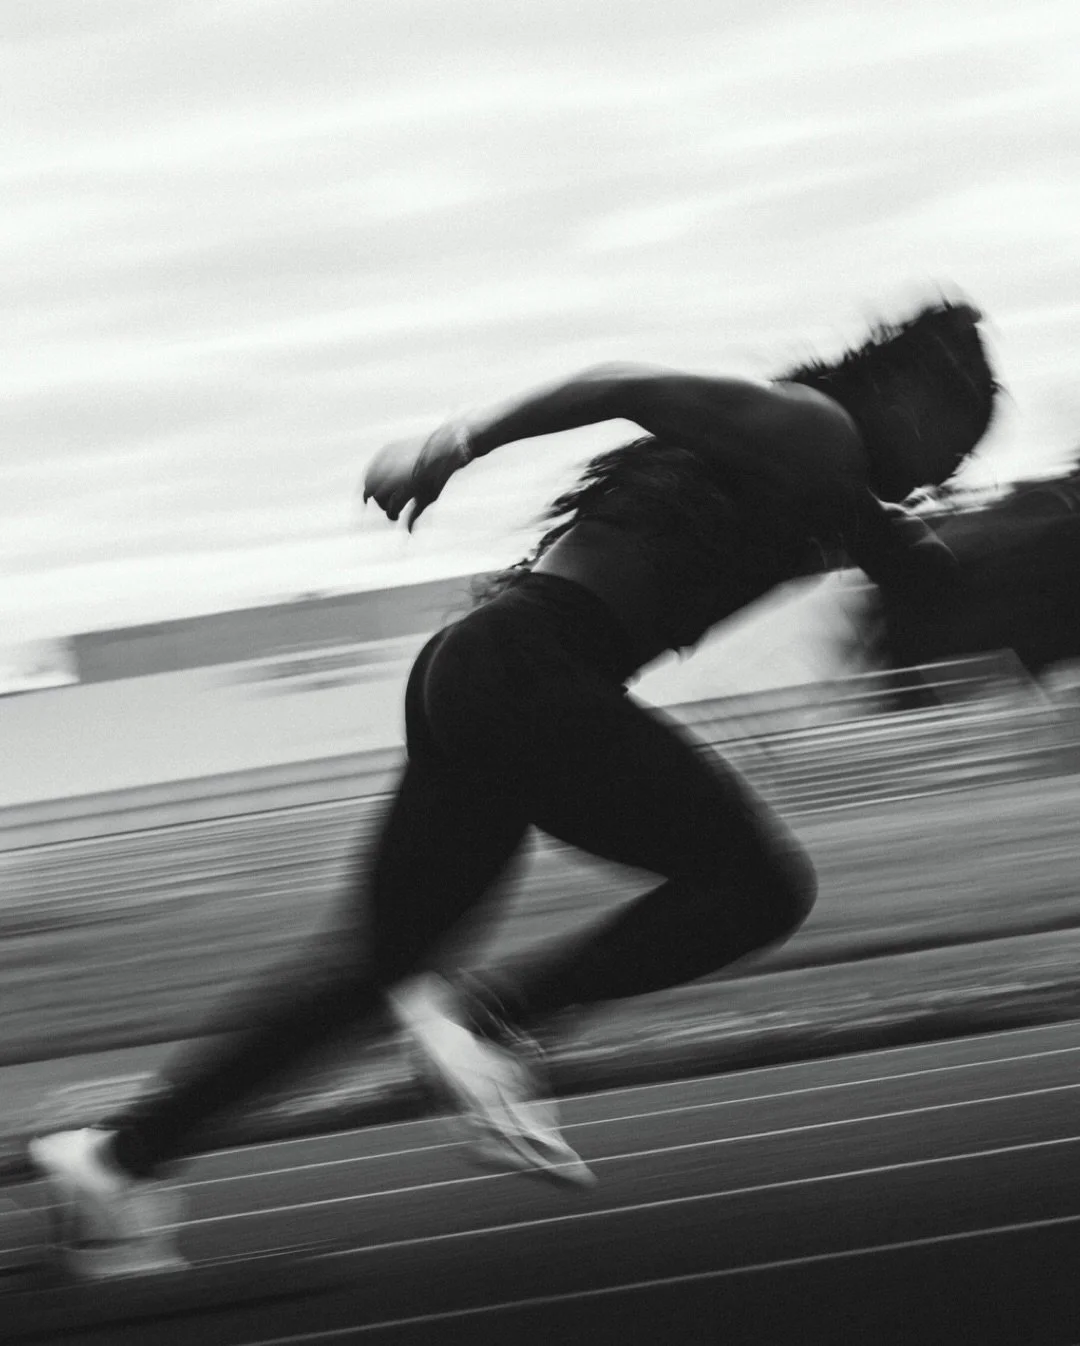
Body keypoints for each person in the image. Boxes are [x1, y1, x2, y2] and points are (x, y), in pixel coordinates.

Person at [30, 298, 998, 1277]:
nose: (953, 470)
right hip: (535, 666)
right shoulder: (811, 426)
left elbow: (917, 578)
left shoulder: (835, 489)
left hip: (486, 668)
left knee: (377, 967)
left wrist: (933, 564)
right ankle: (484, 1018)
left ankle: (116, 1156)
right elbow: (624, 384)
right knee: (757, 888)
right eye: (958, 443)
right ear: (914, 397)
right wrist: (450, 445)